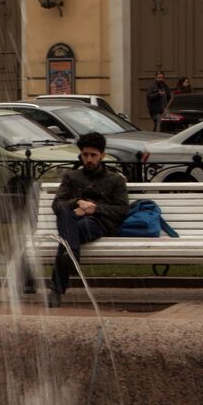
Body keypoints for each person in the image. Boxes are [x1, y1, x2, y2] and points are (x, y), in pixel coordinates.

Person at [47, 132, 128, 308]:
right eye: (85, 155)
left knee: (68, 237)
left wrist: (94, 208)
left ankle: (56, 289)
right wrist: (78, 201)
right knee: (65, 214)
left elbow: (122, 210)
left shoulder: (115, 180)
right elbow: (57, 205)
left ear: (102, 155)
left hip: (98, 224)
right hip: (72, 220)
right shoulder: (71, 177)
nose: (89, 159)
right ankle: (72, 253)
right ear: (80, 155)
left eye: (93, 155)